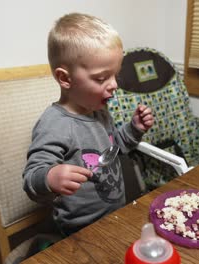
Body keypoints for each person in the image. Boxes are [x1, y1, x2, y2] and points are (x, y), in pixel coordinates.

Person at [22, 13, 154, 236]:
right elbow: (31, 177)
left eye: (115, 75)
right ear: (65, 78)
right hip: (78, 230)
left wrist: (134, 129)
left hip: (114, 216)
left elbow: (115, 149)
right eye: (102, 78)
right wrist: (50, 177)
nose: (114, 85)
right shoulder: (55, 124)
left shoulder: (99, 110)